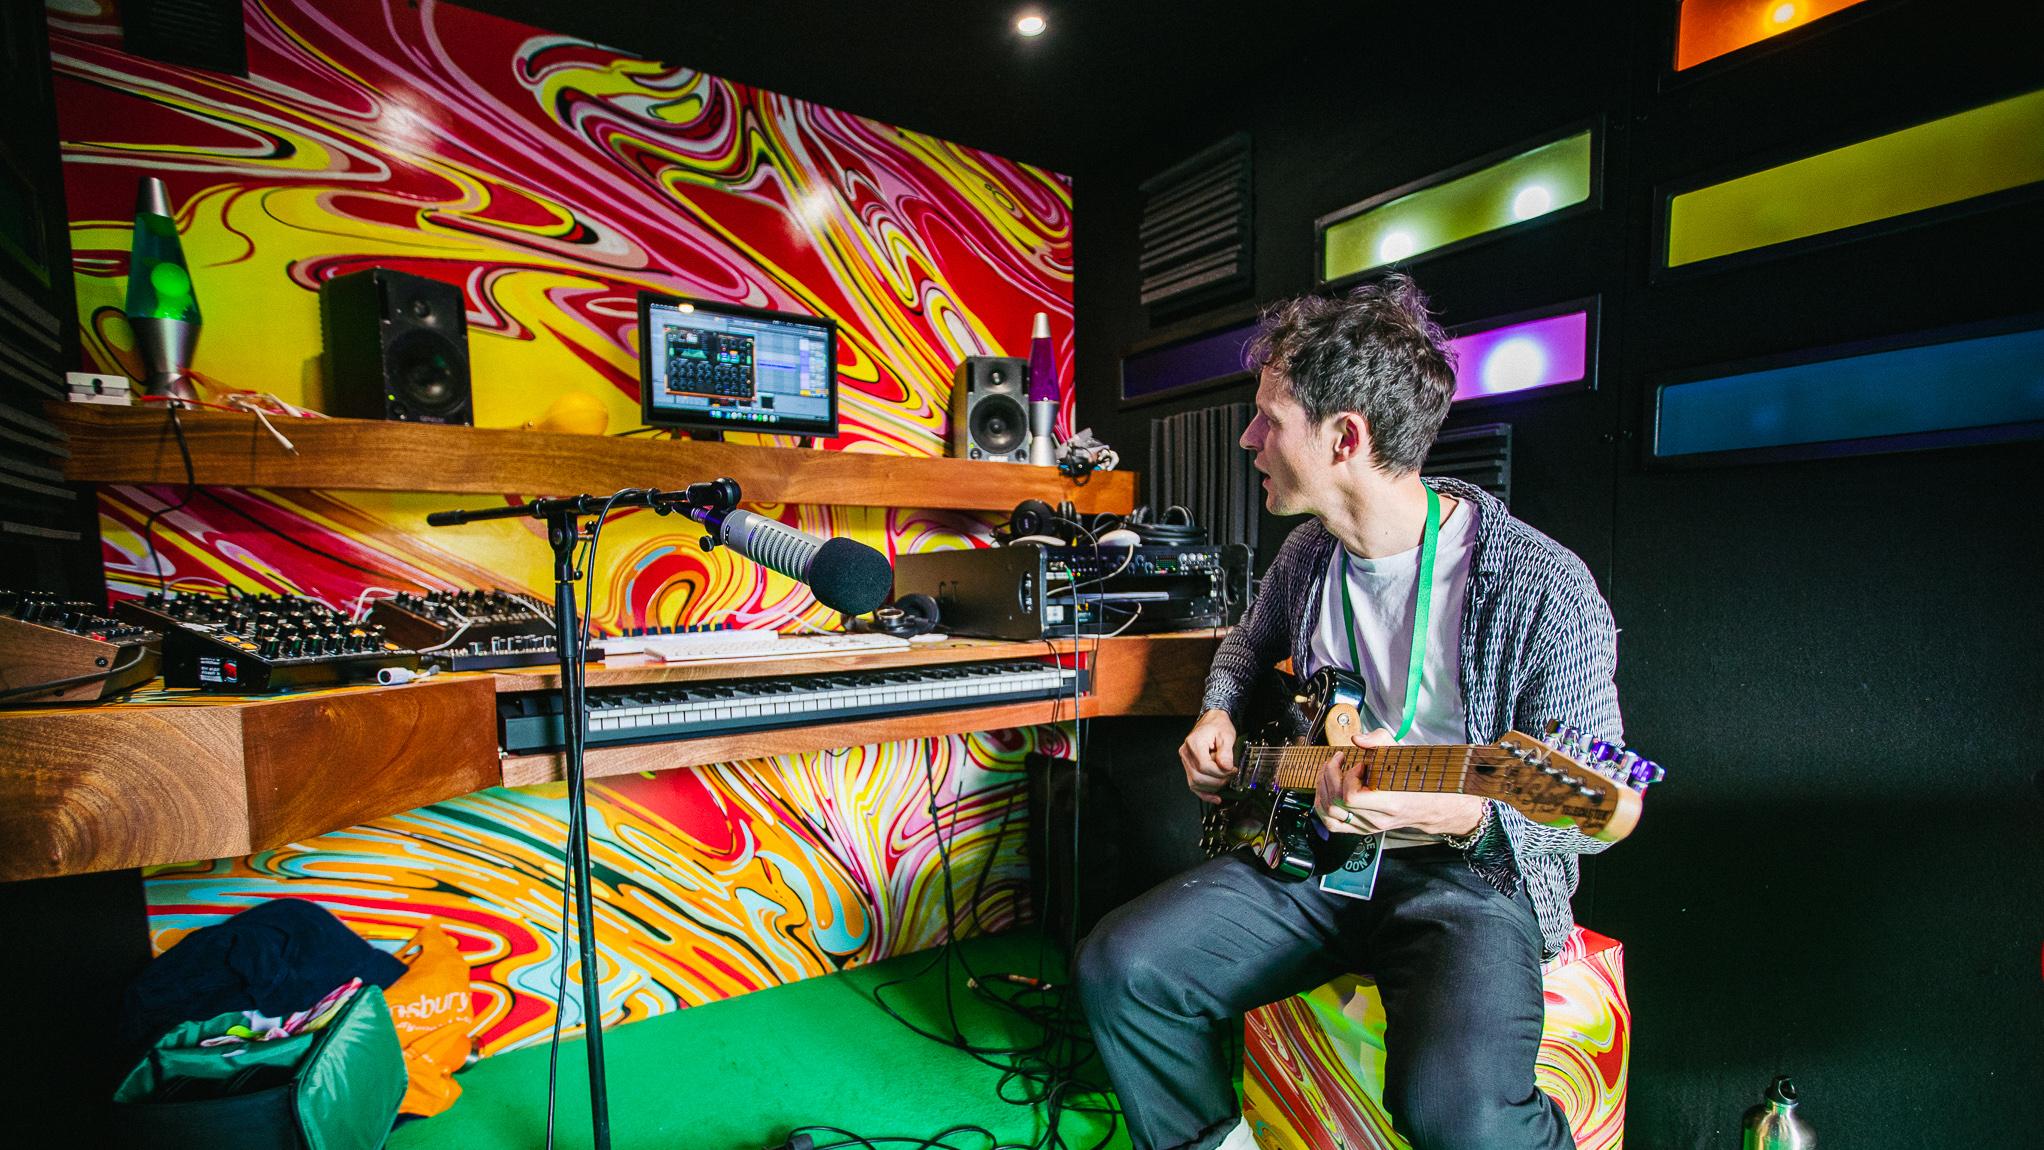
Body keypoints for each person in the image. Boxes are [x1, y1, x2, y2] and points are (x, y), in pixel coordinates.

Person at [1075, 275, 1623, 1150]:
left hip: (1466, 880)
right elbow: (1249, 647)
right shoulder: (1306, 552)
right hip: (1315, 859)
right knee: (1123, 967)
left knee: (1459, 1114)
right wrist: (1217, 712)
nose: (1249, 438)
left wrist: (1458, 809)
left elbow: (1588, 815)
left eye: (1267, 418)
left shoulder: (1543, 586)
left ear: (1344, 438)